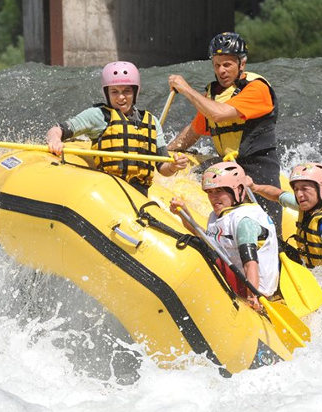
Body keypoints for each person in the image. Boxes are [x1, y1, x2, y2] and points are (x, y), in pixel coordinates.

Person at [166, 32, 283, 235]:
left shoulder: (257, 88)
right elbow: (193, 132)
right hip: (226, 167)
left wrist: (185, 89)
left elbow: (218, 115)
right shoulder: (213, 94)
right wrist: (164, 152)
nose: (221, 70)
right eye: (217, 64)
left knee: (269, 233)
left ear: (242, 64)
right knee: (192, 175)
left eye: (227, 64)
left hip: (258, 167)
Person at [45, 61, 188, 196]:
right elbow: (57, 129)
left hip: (140, 194)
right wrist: (55, 140)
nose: (121, 97)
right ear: (107, 93)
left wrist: (174, 166)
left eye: (126, 91)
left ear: (135, 92)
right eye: (114, 91)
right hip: (110, 192)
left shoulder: (152, 122)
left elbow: (163, 168)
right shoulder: (99, 115)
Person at [170, 162, 279, 311]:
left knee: (202, 249)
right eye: (209, 192)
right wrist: (183, 213)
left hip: (254, 287)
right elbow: (202, 235)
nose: (213, 198)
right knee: (201, 245)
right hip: (236, 278)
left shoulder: (244, 222)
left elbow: (250, 263)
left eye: (219, 191)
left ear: (238, 190)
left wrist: (253, 296)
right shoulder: (219, 216)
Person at [250, 162, 322, 267]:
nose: (299, 194)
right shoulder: (309, 206)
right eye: (296, 189)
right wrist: (255, 187)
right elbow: (278, 195)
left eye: (304, 189)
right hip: (311, 268)